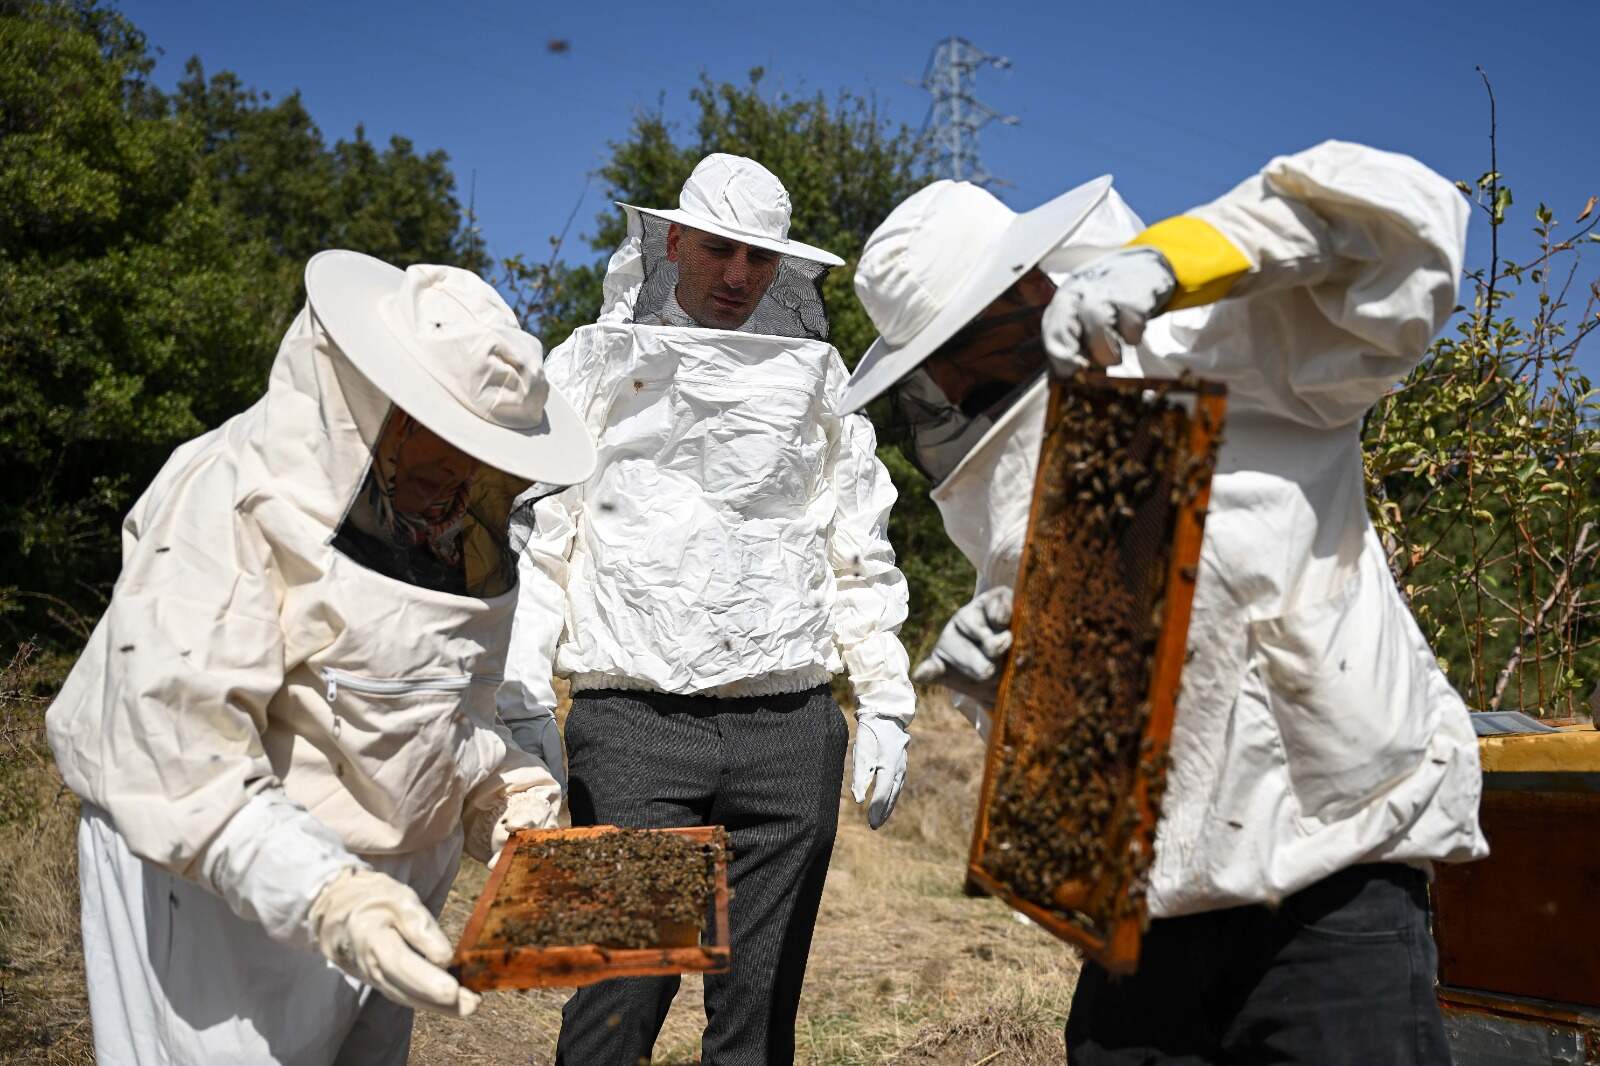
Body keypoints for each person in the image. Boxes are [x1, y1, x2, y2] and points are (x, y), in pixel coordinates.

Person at [842, 142, 1487, 1065]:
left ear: (1022, 294)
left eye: (951, 350)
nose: (941, 388)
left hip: (1331, 902)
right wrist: (1002, 694)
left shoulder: (1230, 340)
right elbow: (1082, 770)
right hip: (1141, 935)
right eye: (926, 367)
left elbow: (1412, 223)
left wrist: (1179, 258)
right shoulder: (1009, 493)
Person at [46, 251, 596, 1066]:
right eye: (450, 446)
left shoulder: (450, 537)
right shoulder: (228, 495)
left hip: (389, 897)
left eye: (487, 460)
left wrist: (501, 790)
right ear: (375, 408)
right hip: (220, 890)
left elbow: (442, 712)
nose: (465, 482)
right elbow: (177, 748)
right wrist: (327, 894)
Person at [498, 153, 916, 1065]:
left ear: (785, 270)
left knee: (759, 1024)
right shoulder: (592, 363)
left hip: (791, 731)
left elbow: (858, 547)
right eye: (721, 250)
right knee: (613, 1005)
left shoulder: (821, 380)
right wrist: (522, 703)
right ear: (673, 239)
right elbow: (541, 537)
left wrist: (884, 699)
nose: (737, 277)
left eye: (759, 261)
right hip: (633, 727)